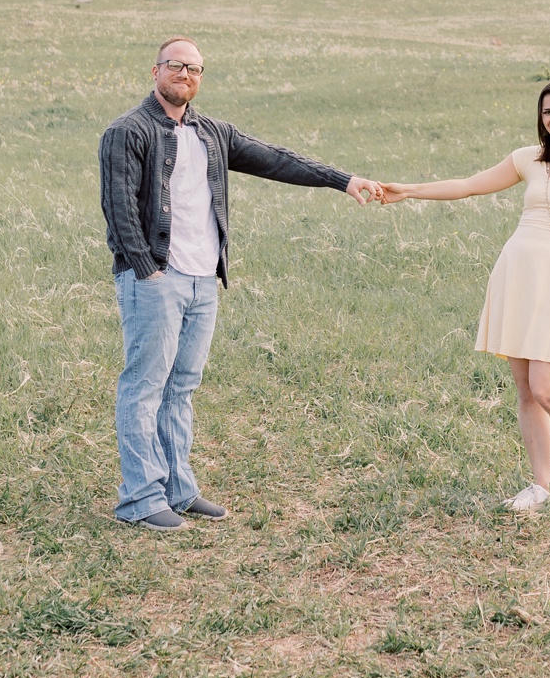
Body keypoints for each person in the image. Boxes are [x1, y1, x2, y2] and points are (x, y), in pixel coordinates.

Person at [99, 36, 382, 531]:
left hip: (203, 279)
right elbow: (118, 206)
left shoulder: (213, 132)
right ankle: (139, 500)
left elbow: (276, 159)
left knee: (181, 387)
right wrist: (146, 268)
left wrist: (344, 180)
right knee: (145, 387)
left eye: (195, 68)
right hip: (157, 278)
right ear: (156, 70)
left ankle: (179, 490)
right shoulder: (128, 131)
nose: (185, 74)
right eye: (176, 65)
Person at [380, 78, 550, 520]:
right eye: (547, 112)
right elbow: (469, 185)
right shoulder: (528, 159)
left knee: (548, 389)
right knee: (526, 390)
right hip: (516, 277)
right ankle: (541, 484)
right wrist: (408, 190)